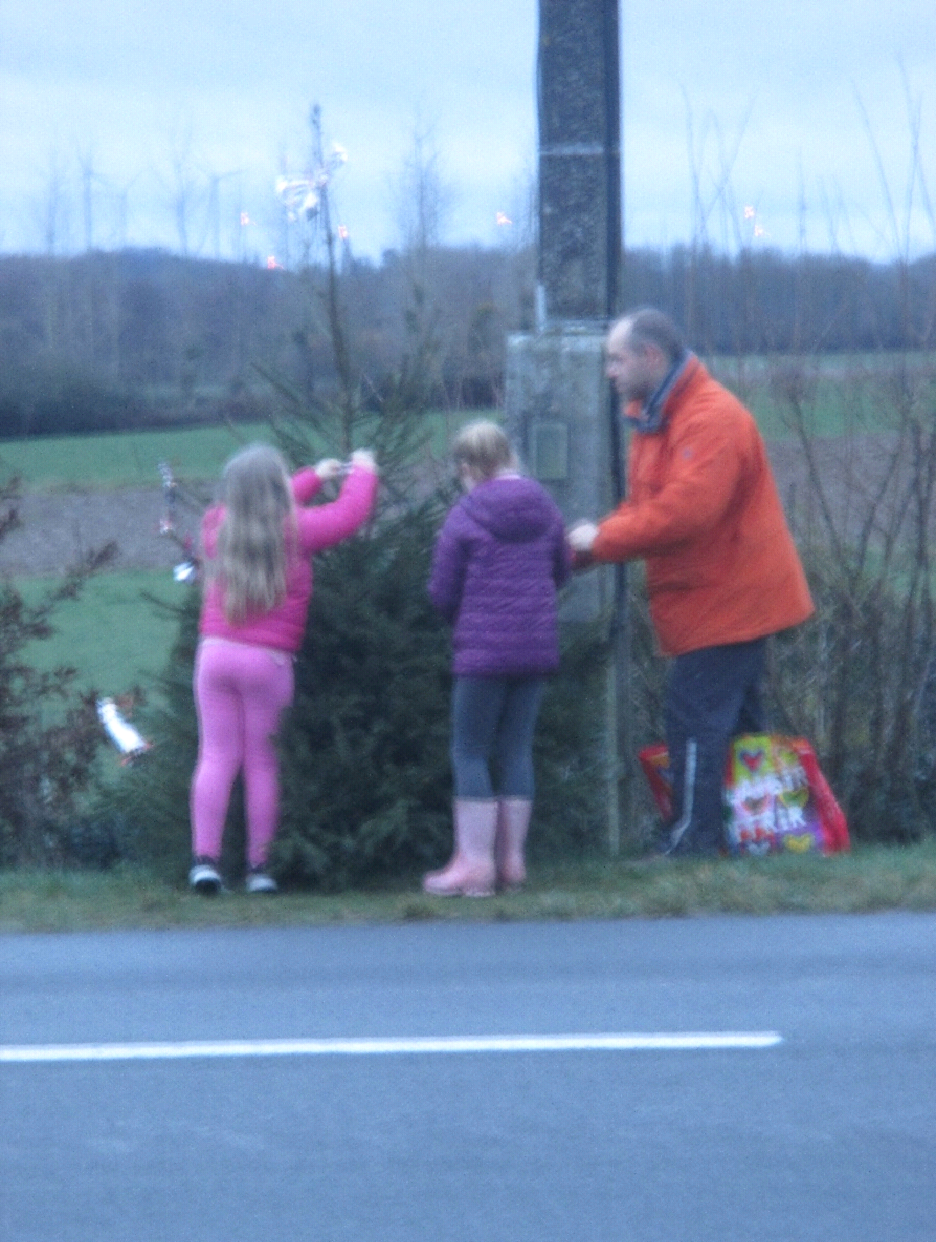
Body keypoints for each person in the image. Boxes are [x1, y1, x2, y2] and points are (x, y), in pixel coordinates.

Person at [569, 308, 814, 858]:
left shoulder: (710, 419)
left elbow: (685, 514)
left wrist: (598, 542)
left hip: (730, 599)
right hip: (719, 597)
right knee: (743, 728)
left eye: (616, 358)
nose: (608, 370)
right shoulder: (656, 417)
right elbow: (644, 509)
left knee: (695, 718)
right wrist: (585, 550)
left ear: (651, 357)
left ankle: (693, 839)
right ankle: (767, 838)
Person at [189, 443, 378, 894]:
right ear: (279, 490)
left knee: (216, 758)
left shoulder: (217, 525)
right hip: (267, 661)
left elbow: (259, 501)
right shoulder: (297, 530)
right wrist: (363, 472)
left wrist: (312, 476)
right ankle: (259, 870)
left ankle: (204, 861)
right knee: (263, 763)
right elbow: (348, 515)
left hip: (214, 654)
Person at [424, 419, 572, 896]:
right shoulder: (545, 508)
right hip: (535, 649)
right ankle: (513, 862)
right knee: (515, 750)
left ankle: (476, 865)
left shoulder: (465, 514)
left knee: (469, 750)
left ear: (468, 465)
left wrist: (459, 621)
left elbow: (442, 591)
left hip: (482, 653)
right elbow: (562, 570)